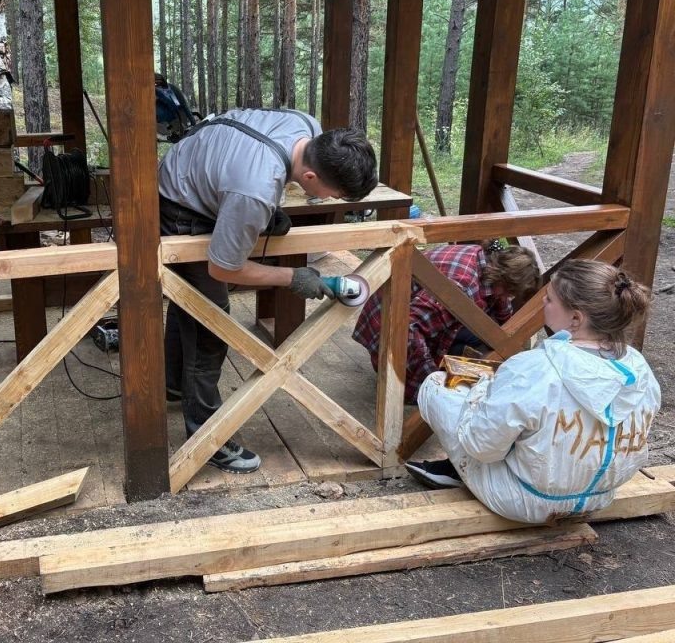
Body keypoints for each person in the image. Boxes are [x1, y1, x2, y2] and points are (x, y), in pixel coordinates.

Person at [158, 107, 378, 473]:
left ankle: (173, 385)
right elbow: (223, 267)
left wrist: (260, 210)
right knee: (210, 321)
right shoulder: (255, 191)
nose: (330, 200)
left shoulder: (305, 126)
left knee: (191, 301)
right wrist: (294, 277)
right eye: (334, 195)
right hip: (177, 203)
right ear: (310, 175)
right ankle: (206, 439)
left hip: (199, 172)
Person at [409, 260, 661, 525]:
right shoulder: (639, 368)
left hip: (524, 500)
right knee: (532, 421)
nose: (542, 302)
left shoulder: (534, 367)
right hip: (599, 497)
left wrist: (480, 393)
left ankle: (461, 471)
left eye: (549, 299)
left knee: (437, 385)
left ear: (576, 318)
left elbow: (482, 448)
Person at [352, 242, 541, 403]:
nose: (508, 298)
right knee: (442, 394)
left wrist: (510, 341)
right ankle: (417, 377)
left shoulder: (484, 259)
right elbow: (406, 330)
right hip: (387, 332)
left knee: (484, 333)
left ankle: (452, 368)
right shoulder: (463, 287)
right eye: (509, 293)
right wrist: (433, 379)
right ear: (503, 280)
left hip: (404, 310)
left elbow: (500, 306)